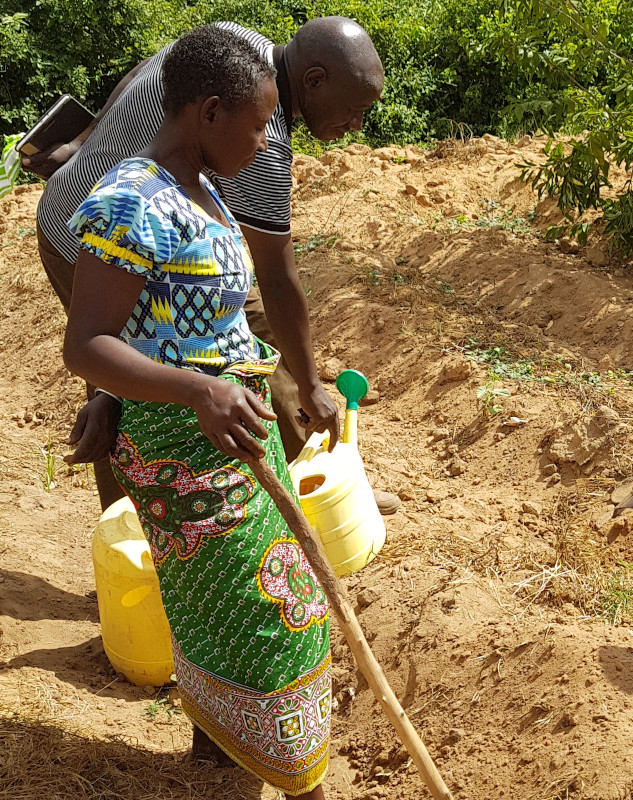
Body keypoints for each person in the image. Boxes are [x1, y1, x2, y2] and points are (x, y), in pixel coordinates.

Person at [62, 26, 332, 797]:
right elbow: (86, 343)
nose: (264, 140)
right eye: (257, 124)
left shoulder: (204, 190)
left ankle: (225, 757)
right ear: (209, 111)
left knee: (255, 602)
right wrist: (193, 391)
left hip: (234, 437)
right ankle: (299, 780)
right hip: (188, 449)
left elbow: (166, 320)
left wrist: (224, 386)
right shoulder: (128, 202)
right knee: (263, 611)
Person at [28, 16, 390, 513]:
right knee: (129, 380)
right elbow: (277, 279)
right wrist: (309, 385)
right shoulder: (253, 128)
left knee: (202, 352)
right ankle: (143, 529)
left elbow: (139, 74)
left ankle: (299, 482)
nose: (356, 126)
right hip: (88, 234)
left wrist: (83, 140)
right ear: (314, 81)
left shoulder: (229, 42)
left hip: (96, 202)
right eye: (353, 111)